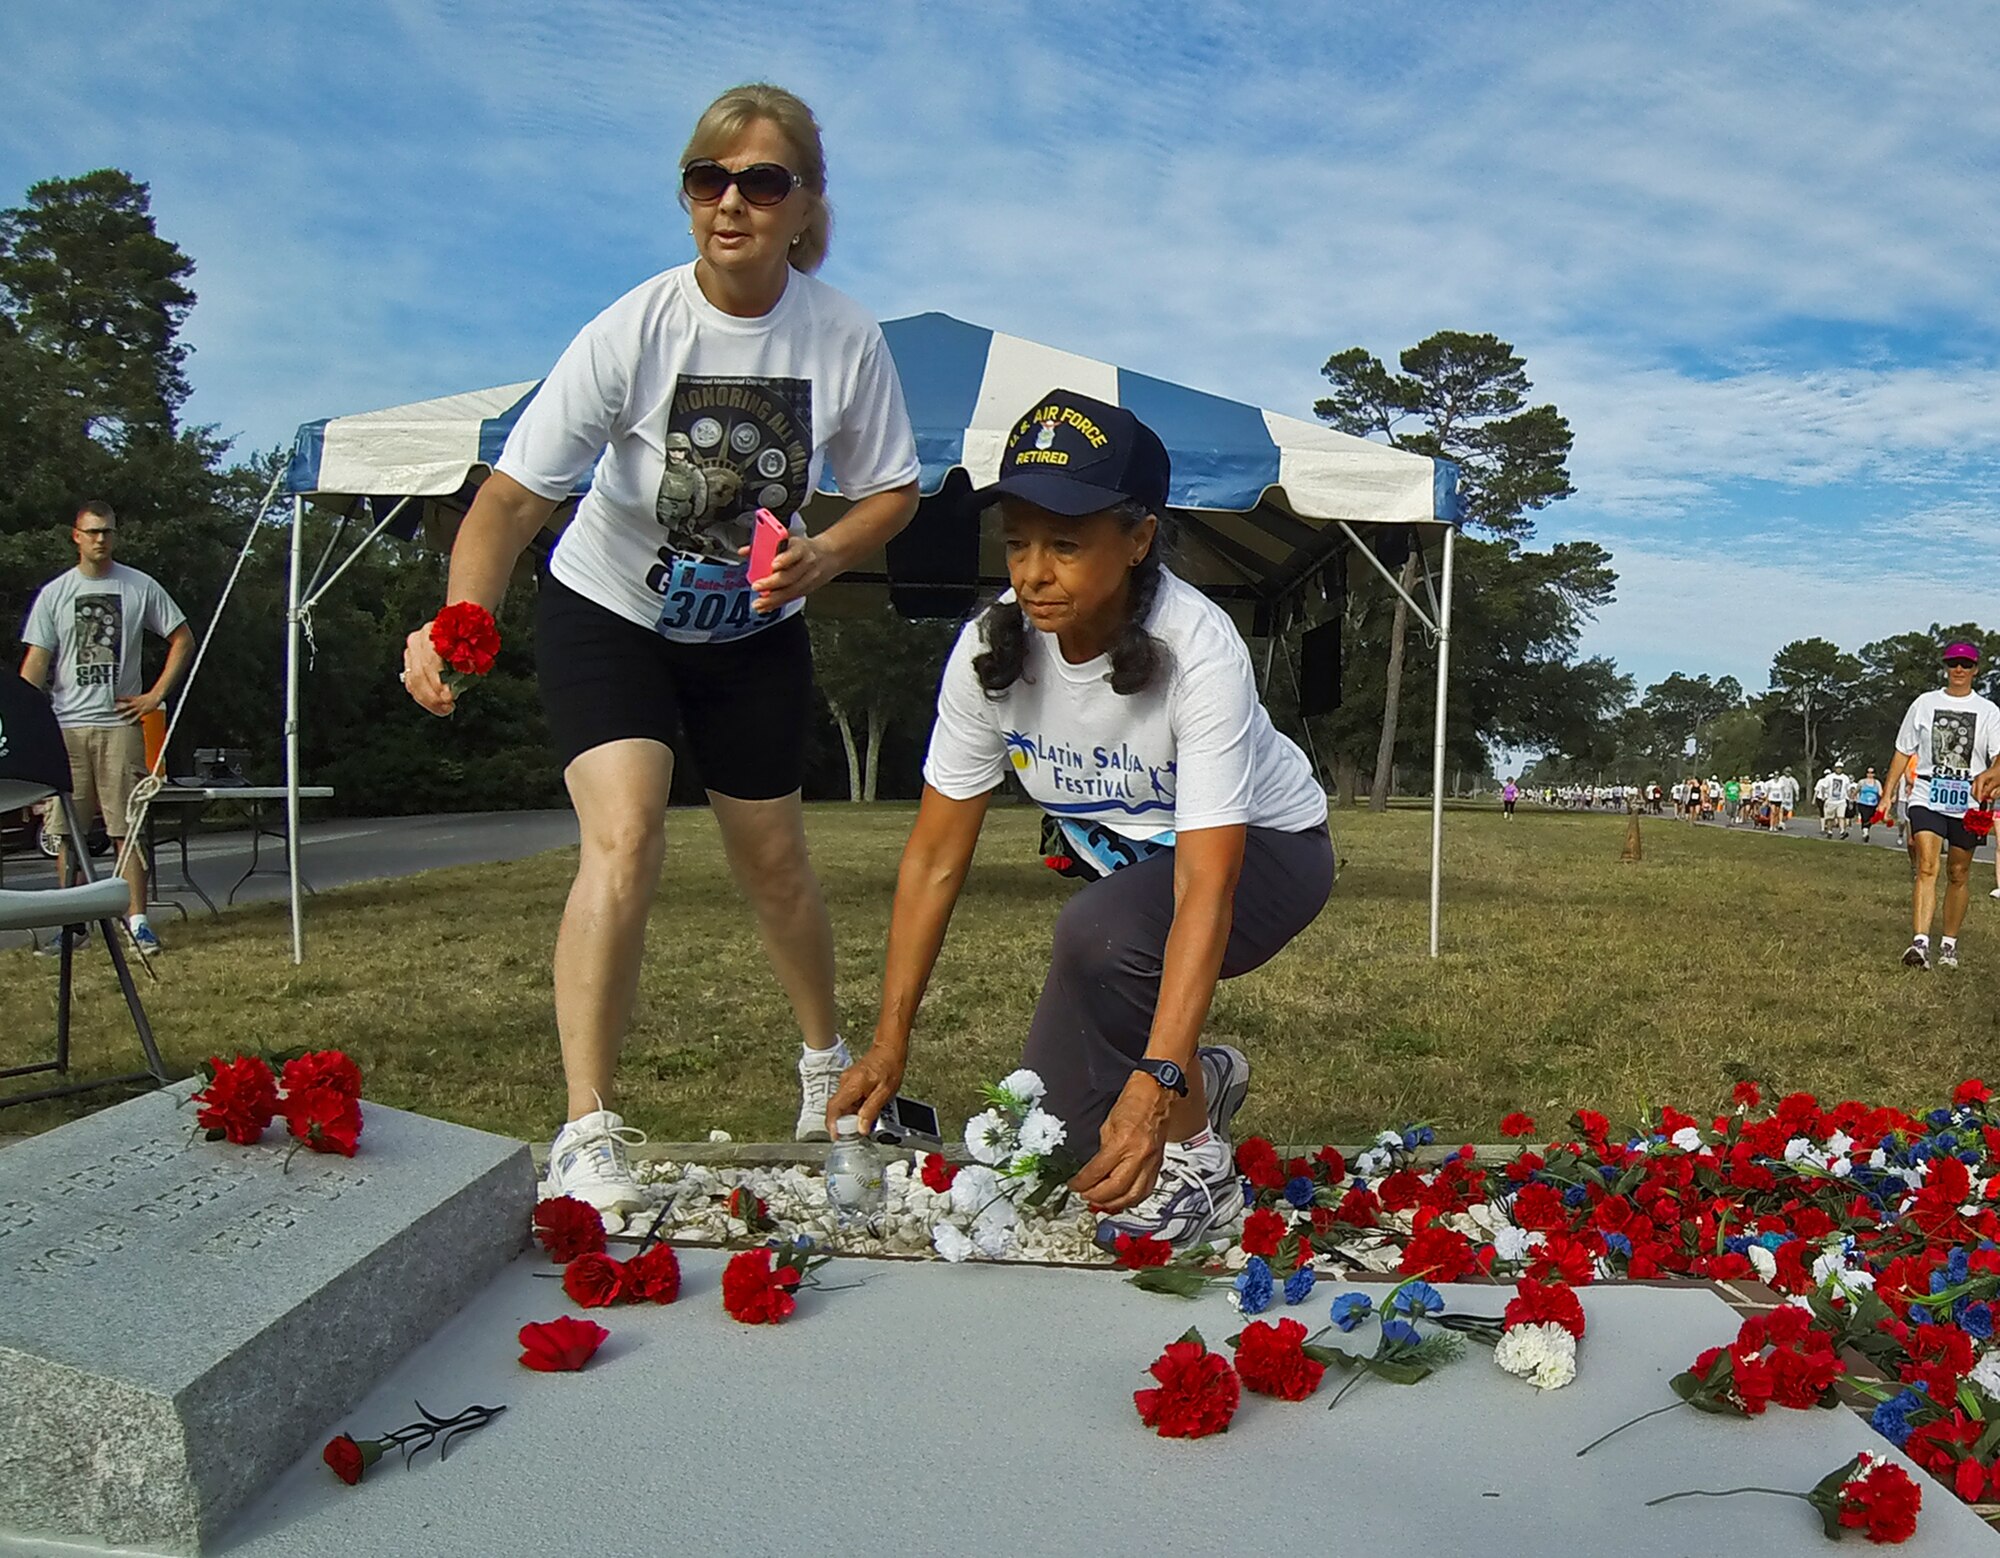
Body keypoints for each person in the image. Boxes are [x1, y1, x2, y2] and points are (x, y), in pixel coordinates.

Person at [399, 83, 921, 1219]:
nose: (731, 202)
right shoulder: (634, 328)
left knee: (772, 858)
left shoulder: (843, 337)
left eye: (761, 181)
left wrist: (827, 556)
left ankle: (823, 1069)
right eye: (708, 179)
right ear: (689, 197)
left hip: (753, 635)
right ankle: (586, 1125)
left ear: (803, 207)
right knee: (625, 833)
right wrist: (458, 616)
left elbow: (889, 489)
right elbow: (504, 505)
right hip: (609, 615)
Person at [827, 391, 1333, 1250]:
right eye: (1017, 542)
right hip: (1140, 883)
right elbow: (935, 860)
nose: (1032, 572)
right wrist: (886, 1041)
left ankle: (1203, 1170)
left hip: (1271, 855)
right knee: (1056, 1134)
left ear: (1138, 541)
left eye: (1065, 544)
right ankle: (1208, 1077)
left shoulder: (1198, 651)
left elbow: (1206, 886)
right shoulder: (992, 650)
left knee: (1101, 935)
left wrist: (1157, 1079)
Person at [17, 500, 192, 955]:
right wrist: (23, 719)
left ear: (115, 535)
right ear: (76, 536)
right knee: (67, 830)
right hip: (66, 727)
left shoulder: (138, 586)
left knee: (125, 827)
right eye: (92, 532)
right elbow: (36, 663)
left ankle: (137, 922)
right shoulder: (56, 593)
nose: (100, 540)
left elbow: (181, 638)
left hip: (119, 724)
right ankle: (72, 924)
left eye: (107, 532)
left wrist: (154, 696)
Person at [1884, 643, 2000, 970]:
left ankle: (1949, 943)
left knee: (1958, 872)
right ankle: (1920, 943)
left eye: (1966, 664)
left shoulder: (1988, 711)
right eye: (1953, 663)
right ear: (1946, 667)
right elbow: (1903, 750)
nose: (1959, 670)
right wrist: (1888, 792)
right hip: (1926, 794)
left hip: (1968, 802)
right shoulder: (1925, 704)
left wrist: (1992, 772)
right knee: (1927, 866)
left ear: (1976, 669)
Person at [1855, 766, 1883, 844]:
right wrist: (1853, 796)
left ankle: (1866, 831)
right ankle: (1865, 833)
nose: (1870, 774)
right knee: (1865, 817)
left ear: (1874, 774)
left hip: (1873, 804)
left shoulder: (1877, 783)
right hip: (1863, 803)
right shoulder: (1862, 782)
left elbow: (1880, 793)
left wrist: (1884, 800)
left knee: (1870, 819)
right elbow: (1857, 790)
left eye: (1872, 772)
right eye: (1868, 772)